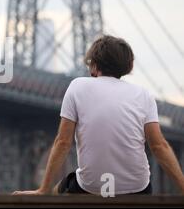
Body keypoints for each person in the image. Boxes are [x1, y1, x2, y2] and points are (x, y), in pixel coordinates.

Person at [14, 35, 184, 196]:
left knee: (61, 188)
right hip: (138, 188)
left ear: (94, 65)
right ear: (129, 67)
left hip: (92, 188)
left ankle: (45, 192)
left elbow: (63, 142)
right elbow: (159, 146)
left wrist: (43, 190)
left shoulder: (77, 87)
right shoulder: (144, 95)